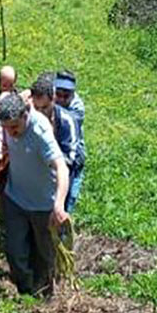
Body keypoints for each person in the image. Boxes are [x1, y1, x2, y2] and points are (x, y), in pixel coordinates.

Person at [0, 93, 70, 298]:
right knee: (14, 251)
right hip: (15, 198)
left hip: (42, 205)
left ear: (26, 115)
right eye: (7, 128)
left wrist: (59, 205)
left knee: (44, 255)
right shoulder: (8, 126)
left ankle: (45, 294)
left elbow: (61, 168)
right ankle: (26, 293)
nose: (11, 133)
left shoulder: (40, 131)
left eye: (15, 127)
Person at [30, 74, 83, 180]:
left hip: (69, 169)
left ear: (53, 100)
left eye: (44, 108)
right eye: (36, 107)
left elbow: (69, 159)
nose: (40, 113)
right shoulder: (29, 116)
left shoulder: (67, 122)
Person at [54, 70, 87, 213]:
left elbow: (65, 119)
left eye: (65, 96)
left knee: (69, 200)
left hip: (73, 158)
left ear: (73, 93)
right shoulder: (50, 99)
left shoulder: (77, 109)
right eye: (58, 94)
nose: (61, 99)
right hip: (57, 153)